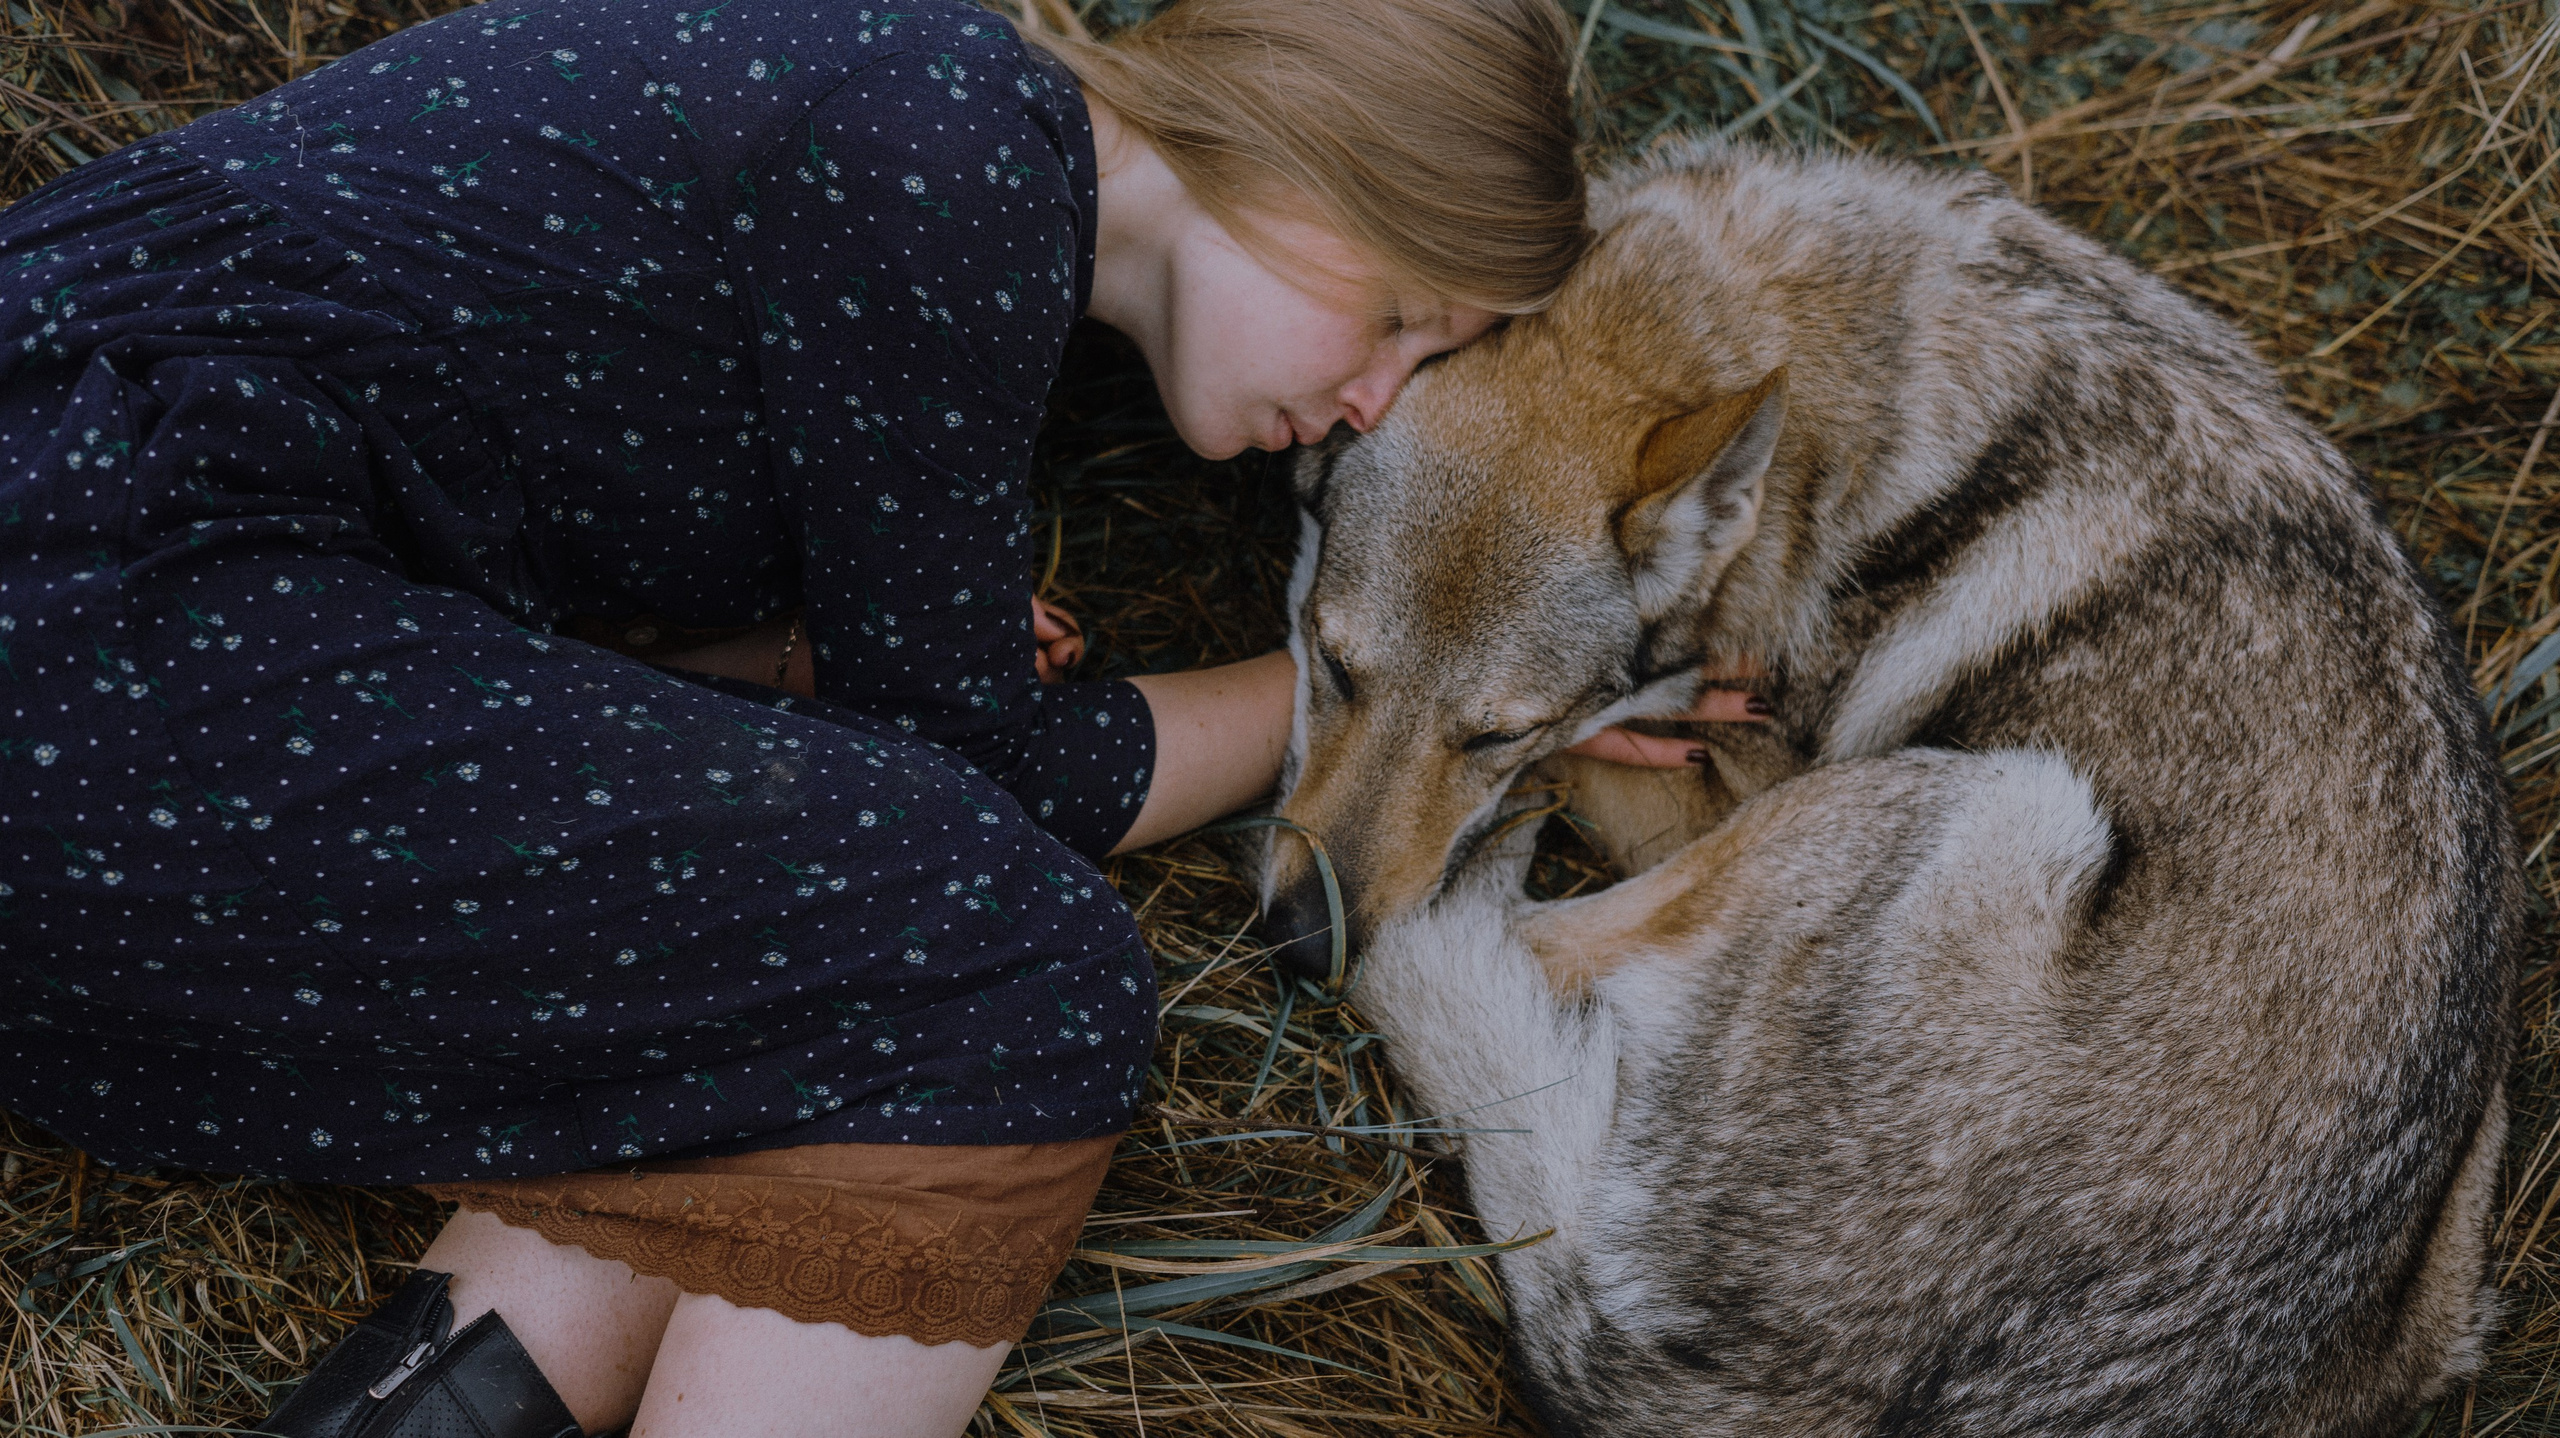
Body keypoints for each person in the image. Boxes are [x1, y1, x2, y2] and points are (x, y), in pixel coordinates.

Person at [0, 0, 1592, 1433]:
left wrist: (789, 678)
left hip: (140, 648)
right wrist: (1405, 696)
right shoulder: (951, 136)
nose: (1375, 402)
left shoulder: (953, 165)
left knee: (809, 984)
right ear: (1324, 155)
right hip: (98, 598)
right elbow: (991, 776)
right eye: (1402, 313)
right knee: (1006, 975)